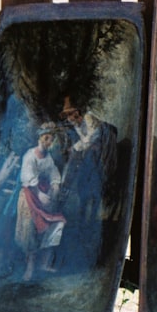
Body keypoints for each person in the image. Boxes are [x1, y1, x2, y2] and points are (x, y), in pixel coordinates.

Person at [56, 95, 118, 268]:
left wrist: (76, 148)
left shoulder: (89, 118)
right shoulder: (76, 125)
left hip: (101, 152)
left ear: (77, 112)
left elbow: (92, 137)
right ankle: (83, 214)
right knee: (82, 173)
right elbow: (84, 141)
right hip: (89, 154)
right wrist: (77, 149)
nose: (70, 118)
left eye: (71, 114)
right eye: (67, 115)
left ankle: (92, 218)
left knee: (93, 172)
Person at [15, 122, 65, 281]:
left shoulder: (48, 157)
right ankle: (29, 268)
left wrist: (55, 185)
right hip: (30, 196)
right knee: (30, 228)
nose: (49, 142)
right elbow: (28, 178)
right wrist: (39, 193)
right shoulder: (30, 156)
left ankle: (44, 262)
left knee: (58, 223)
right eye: (46, 138)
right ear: (40, 138)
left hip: (44, 195)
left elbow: (54, 173)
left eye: (51, 139)